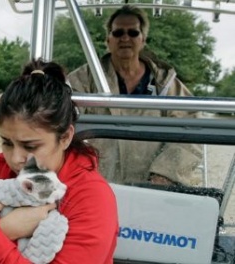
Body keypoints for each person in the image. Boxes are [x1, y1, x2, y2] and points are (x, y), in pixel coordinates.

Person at [0, 59, 118, 263]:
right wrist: (3, 230)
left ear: (65, 137)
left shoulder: (91, 197)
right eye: (6, 143)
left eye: (30, 146)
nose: (15, 159)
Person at [67, 5, 202, 186]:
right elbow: (62, 121)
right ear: (108, 39)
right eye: (118, 33)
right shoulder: (83, 79)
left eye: (132, 32)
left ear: (143, 39)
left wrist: (165, 174)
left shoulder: (165, 83)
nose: (125, 38)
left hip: (153, 190)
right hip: (96, 185)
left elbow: (192, 130)